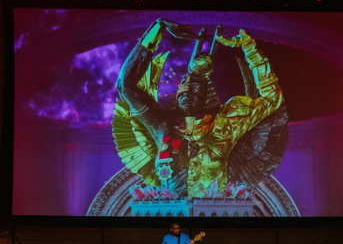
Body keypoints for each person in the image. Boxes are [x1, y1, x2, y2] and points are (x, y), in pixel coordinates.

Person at [114, 20, 285, 200]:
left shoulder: (227, 122)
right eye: (185, 85)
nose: (188, 90)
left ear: (205, 95)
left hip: (213, 217)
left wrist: (249, 49)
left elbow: (273, 99)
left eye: (196, 87)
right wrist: (157, 29)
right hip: (171, 218)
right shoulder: (161, 125)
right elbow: (125, 85)